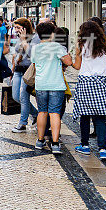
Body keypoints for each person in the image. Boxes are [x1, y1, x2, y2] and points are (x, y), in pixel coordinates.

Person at [71, 21, 106, 160]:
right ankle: (102, 148)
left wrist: (70, 61)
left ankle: (84, 145)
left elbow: (77, 66)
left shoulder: (81, 46)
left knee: (85, 116)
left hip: (85, 83)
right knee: (100, 117)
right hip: (101, 83)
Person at [31, 21, 72, 154]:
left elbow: (35, 65)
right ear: (52, 33)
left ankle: (40, 140)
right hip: (56, 84)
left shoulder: (35, 48)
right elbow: (69, 62)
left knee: (42, 112)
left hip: (41, 84)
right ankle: (55, 143)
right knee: (54, 113)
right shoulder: (57, 47)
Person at [10, 17, 39, 133]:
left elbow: (33, 55)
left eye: (18, 27)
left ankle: (22, 123)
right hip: (18, 69)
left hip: (28, 71)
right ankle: (36, 114)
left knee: (23, 97)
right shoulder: (19, 37)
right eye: (15, 27)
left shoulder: (35, 38)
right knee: (16, 96)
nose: (16, 30)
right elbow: (16, 54)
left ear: (25, 27)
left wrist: (24, 41)